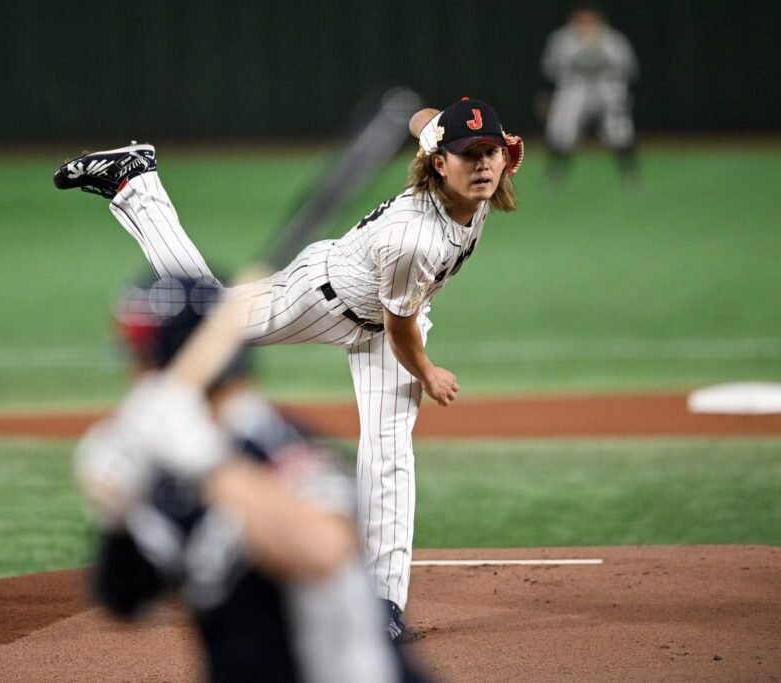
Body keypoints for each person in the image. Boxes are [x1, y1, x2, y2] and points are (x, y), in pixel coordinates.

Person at [54, 96, 524, 641]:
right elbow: (399, 332)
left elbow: (425, 124)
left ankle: (385, 606)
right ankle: (137, 185)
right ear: (441, 163)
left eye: (491, 151)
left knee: (390, 449)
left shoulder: (473, 171)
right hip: (328, 296)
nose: (484, 163)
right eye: (470, 154)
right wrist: (429, 373)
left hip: (395, 311)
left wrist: (426, 121)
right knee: (214, 321)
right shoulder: (412, 238)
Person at [74, 275, 431, 682]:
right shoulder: (169, 466)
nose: (134, 378)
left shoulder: (282, 445)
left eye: (141, 360)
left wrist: (208, 461)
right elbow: (126, 599)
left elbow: (323, 551)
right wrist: (116, 514)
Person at [540, 2, 639, 187]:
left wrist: (625, 96)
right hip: (574, 87)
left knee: (619, 131)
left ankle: (630, 174)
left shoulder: (613, 40)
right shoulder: (562, 39)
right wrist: (547, 97)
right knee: (562, 130)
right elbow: (550, 72)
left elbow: (629, 70)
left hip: (607, 87)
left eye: (590, 20)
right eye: (581, 20)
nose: (586, 24)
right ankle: (556, 173)